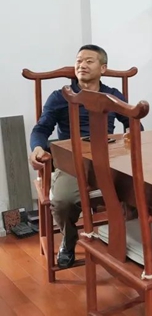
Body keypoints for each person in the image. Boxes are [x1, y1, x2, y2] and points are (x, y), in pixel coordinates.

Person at [29, 45, 131, 268]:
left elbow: (132, 122)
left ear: (103, 68)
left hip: (109, 159)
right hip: (73, 161)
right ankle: (69, 239)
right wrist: (37, 148)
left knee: (143, 189)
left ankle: (129, 239)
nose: (81, 65)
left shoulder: (112, 95)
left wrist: (132, 132)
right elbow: (41, 129)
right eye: (78, 61)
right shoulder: (60, 96)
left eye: (89, 61)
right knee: (63, 200)